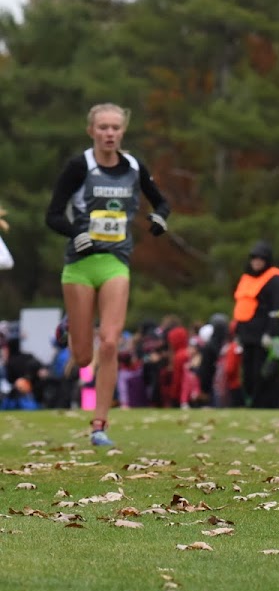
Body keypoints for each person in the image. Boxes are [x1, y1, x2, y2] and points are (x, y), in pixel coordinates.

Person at [45, 103, 171, 446]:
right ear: (92, 131)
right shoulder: (79, 166)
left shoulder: (133, 167)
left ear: (123, 131)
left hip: (116, 262)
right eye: (103, 127)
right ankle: (73, 325)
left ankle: (99, 425)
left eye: (115, 127)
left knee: (112, 342)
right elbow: (53, 215)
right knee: (84, 357)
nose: (110, 133)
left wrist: (160, 218)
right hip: (80, 267)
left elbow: (161, 202)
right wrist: (76, 233)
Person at [231, 241, 279, 407]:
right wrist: (238, 333)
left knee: (266, 370)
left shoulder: (275, 279)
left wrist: (271, 333)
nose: (256, 262)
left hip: (266, 335)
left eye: (260, 259)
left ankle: (265, 403)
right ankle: (251, 401)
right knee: (248, 371)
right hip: (247, 334)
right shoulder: (246, 278)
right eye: (254, 258)